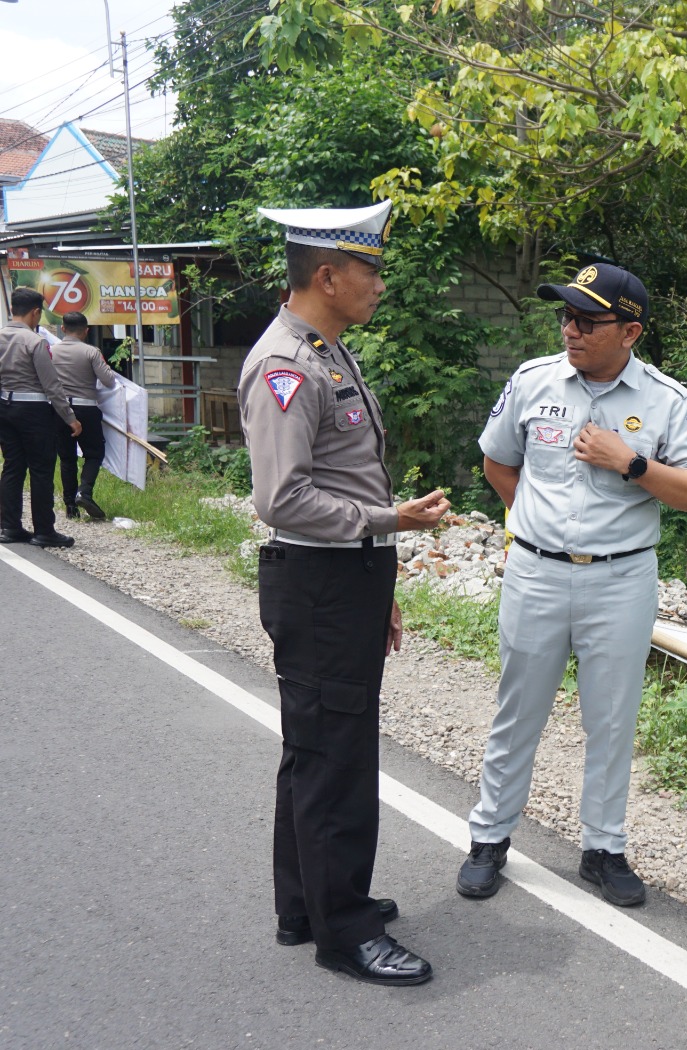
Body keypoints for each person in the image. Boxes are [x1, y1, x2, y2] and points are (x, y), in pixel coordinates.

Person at [239, 200, 451, 986]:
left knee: (317, 748)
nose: (380, 286)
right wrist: (388, 520)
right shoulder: (287, 364)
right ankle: (345, 930)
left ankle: (307, 904)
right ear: (327, 276)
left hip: (341, 578)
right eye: (371, 270)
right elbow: (284, 499)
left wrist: (379, 570)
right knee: (336, 759)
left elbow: (333, 481)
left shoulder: (325, 349)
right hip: (320, 580)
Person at [457, 263, 687, 908]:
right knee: (518, 711)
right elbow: (497, 461)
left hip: (621, 578)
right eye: (566, 317)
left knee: (611, 720)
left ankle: (604, 848)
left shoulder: (665, 399)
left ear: (629, 331)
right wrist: (537, 529)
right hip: (536, 572)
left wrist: (629, 463)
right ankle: (489, 838)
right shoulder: (532, 381)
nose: (570, 329)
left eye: (587, 320)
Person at [0, 286, 80, 547]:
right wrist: (70, 418)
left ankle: (10, 527)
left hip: (4, 409)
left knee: (12, 466)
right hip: (34, 413)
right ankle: (44, 530)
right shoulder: (36, 342)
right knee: (41, 470)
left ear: (13, 309)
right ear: (35, 313)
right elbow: (52, 385)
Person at [50, 312, 118, 520]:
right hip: (86, 409)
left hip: (59, 410)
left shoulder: (51, 351)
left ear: (63, 328)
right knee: (94, 453)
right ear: (86, 331)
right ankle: (84, 492)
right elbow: (109, 381)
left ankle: (70, 506)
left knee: (67, 458)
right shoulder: (91, 352)